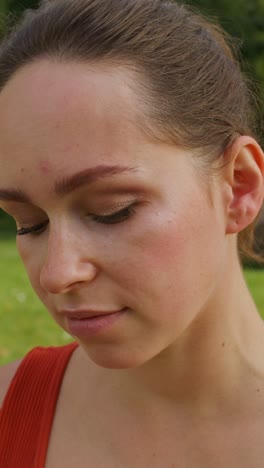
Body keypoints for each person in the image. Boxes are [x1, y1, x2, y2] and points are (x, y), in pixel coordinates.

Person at [0, 0, 264, 466]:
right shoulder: (8, 411)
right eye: (29, 222)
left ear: (239, 186)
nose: (57, 275)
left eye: (112, 211)